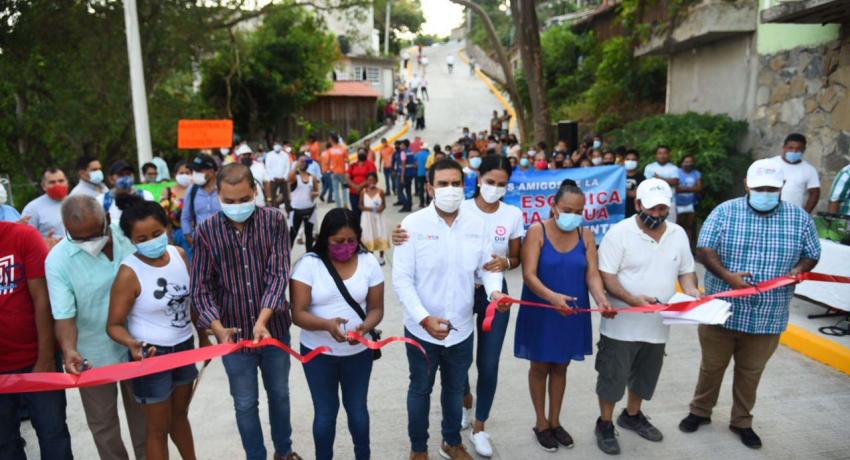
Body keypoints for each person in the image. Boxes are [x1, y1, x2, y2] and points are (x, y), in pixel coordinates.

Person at [679, 158, 821, 449]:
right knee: (712, 367)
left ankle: (742, 421)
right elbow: (705, 251)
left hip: (768, 314)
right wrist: (728, 276)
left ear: (782, 187)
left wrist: (800, 268)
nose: (766, 193)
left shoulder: (799, 218)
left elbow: (812, 252)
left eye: (771, 188)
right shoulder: (724, 212)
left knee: (751, 372)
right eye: (760, 188)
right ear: (747, 185)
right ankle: (700, 411)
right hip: (722, 311)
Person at [392, 155, 523, 456]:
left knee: (454, 391)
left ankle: (452, 441)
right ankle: (418, 449)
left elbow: (488, 268)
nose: (450, 189)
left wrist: (495, 294)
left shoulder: (476, 225)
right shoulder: (412, 225)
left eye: (455, 183)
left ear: (464, 186)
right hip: (421, 330)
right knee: (420, 390)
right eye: (442, 184)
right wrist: (424, 319)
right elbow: (402, 281)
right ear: (429, 188)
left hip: (461, 328)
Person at [191, 164, 301, 460]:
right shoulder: (206, 231)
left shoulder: (275, 222)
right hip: (234, 337)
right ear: (218, 196)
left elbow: (279, 274)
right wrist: (216, 328)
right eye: (229, 202)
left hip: (274, 330)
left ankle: (284, 450)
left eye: (243, 199)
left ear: (255, 191)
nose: (237, 206)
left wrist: (263, 320)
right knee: (244, 403)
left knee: (279, 395)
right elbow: (200, 288)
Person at [594, 178, 700, 455]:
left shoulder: (677, 234)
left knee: (645, 376)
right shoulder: (619, 233)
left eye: (662, 209)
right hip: (622, 326)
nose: (656, 214)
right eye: (651, 208)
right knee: (612, 378)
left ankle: (632, 415)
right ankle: (605, 423)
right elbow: (606, 275)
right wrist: (631, 299)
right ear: (638, 204)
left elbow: (686, 271)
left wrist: (691, 291)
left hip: (658, 325)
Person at [47, 195, 147, 459]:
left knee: (146, 419)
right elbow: (64, 315)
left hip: (140, 345)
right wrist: (69, 350)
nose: (89, 242)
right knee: (104, 426)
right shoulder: (58, 261)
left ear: (107, 219)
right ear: (67, 230)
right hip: (93, 355)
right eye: (79, 238)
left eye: (94, 234)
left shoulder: (128, 235)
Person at [515, 179, 611, 453]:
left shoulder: (586, 235)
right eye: (567, 209)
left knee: (561, 367)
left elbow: (591, 274)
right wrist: (553, 298)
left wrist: (601, 299)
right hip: (543, 311)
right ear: (553, 206)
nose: (573, 215)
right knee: (540, 367)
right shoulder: (537, 231)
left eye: (578, 210)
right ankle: (541, 423)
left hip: (572, 313)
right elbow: (529, 275)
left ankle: (556, 422)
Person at [107, 200, 207, 460]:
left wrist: (204, 337)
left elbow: (192, 301)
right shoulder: (129, 273)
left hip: (184, 347)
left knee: (180, 418)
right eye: (142, 238)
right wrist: (132, 343)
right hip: (152, 356)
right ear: (131, 240)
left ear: (166, 228)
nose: (151, 241)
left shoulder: (179, 255)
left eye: (156, 233)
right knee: (157, 430)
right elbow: (114, 325)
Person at [291, 208, 385, 460]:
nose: (346, 247)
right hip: (318, 354)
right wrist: (326, 325)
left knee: (357, 411)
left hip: (358, 352)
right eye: (338, 242)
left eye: (351, 241)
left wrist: (365, 327)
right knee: (325, 413)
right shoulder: (308, 265)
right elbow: (297, 313)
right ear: (325, 238)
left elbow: (376, 308)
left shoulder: (369, 262)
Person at [0, 221, 73, 460]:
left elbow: (43, 299)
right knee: (4, 441)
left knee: (52, 434)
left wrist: (45, 358)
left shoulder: (22, 236)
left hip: (36, 358)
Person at [769, 133, 820, 214]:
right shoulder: (770, 164)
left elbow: (815, 193)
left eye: (798, 149)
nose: (794, 151)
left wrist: (805, 213)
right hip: (769, 211)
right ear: (784, 148)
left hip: (794, 214)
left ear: (804, 150)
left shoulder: (809, 170)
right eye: (790, 148)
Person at [180, 154, 220, 248]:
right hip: (201, 243)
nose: (195, 173)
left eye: (198, 171)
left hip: (224, 242)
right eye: (194, 171)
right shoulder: (192, 190)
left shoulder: (224, 188)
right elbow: (185, 217)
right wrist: (189, 237)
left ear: (211, 171)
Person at [22, 168, 68, 239]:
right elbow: (25, 237)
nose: (57, 185)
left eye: (61, 181)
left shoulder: (77, 202)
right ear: (44, 186)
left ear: (67, 182)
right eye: (52, 182)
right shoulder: (33, 208)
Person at [160, 161, 193, 257]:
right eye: (181, 173)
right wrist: (168, 236)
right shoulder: (168, 192)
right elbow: (163, 216)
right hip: (174, 233)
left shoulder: (196, 191)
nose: (185, 175)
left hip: (194, 235)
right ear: (175, 174)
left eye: (187, 173)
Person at [289, 155, 320, 250]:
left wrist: (314, 194)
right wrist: (296, 165)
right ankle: (284, 259)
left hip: (310, 210)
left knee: (309, 235)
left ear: (307, 164)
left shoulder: (312, 177)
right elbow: (289, 178)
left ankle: (309, 258)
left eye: (304, 162)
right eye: (301, 162)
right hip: (296, 212)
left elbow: (317, 191)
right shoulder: (295, 176)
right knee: (292, 235)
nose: (302, 163)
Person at [644, 145, 680, 223]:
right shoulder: (649, 167)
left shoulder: (674, 168)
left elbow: (675, 182)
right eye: (659, 153)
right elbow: (647, 183)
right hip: (652, 201)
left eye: (665, 153)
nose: (662, 155)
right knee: (652, 225)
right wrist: (666, 180)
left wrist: (659, 178)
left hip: (670, 202)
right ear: (656, 155)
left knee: (670, 225)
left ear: (669, 155)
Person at [360, 173, 389, 265]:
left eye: (373, 180)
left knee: (380, 234)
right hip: (367, 218)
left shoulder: (380, 192)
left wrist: (381, 208)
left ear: (376, 181)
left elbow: (384, 204)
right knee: (369, 235)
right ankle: (371, 257)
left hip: (378, 218)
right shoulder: (363, 192)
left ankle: (381, 257)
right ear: (367, 181)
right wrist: (372, 209)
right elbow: (360, 205)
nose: (371, 182)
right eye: (369, 180)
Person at [676, 154, 703, 247]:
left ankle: (688, 247)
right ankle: (678, 245)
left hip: (691, 203)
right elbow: (676, 189)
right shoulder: (676, 172)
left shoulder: (696, 173)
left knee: (689, 226)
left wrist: (683, 188)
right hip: (678, 203)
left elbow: (699, 188)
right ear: (682, 163)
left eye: (690, 162)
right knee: (679, 226)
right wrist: (692, 188)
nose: (688, 164)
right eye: (686, 162)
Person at [347, 149, 377, 220]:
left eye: (363, 152)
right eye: (359, 152)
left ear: (366, 154)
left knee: (367, 213)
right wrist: (355, 186)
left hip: (367, 192)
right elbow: (347, 177)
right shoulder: (353, 165)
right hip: (354, 192)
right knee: (355, 213)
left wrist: (360, 186)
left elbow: (372, 178)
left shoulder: (370, 164)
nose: (361, 153)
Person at [266, 140, 293, 209]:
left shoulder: (285, 155)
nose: (277, 146)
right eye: (275, 144)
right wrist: (273, 177)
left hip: (283, 179)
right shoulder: (269, 155)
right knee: (273, 195)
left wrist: (284, 177)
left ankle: (288, 210)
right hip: (273, 179)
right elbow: (268, 167)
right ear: (273, 146)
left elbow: (288, 166)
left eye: (278, 144)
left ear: (280, 146)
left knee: (286, 195)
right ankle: (275, 209)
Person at [329, 134, 350, 209]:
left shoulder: (330, 150)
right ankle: (345, 204)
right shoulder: (343, 149)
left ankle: (338, 207)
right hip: (343, 172)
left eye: (330, 139)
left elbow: (329, 162)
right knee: (344, 189)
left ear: (332, 140)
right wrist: (348, 171)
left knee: (336, 190)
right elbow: (347, 161)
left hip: (334, 173)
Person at [624, 149, 645, 218]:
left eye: (633, 160)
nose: (630, 161)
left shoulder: (641, 177)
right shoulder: (618, 176)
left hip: (636, 212)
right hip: (620, 211)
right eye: (628, 159)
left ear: (637, 161)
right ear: (624, 160)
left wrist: (623, 192)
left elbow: (639, 193)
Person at [400, 140, 417, 213]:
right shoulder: (411, 151)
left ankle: (406, 205)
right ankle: (409, 205)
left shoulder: (403, 152)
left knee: (400, 190)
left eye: (401, 144)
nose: (400, 146)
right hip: (411, 173)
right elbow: (415, 163)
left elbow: (403, 164)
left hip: (406, 173)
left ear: (404, 145)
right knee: (408, 190)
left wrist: (402, 176)